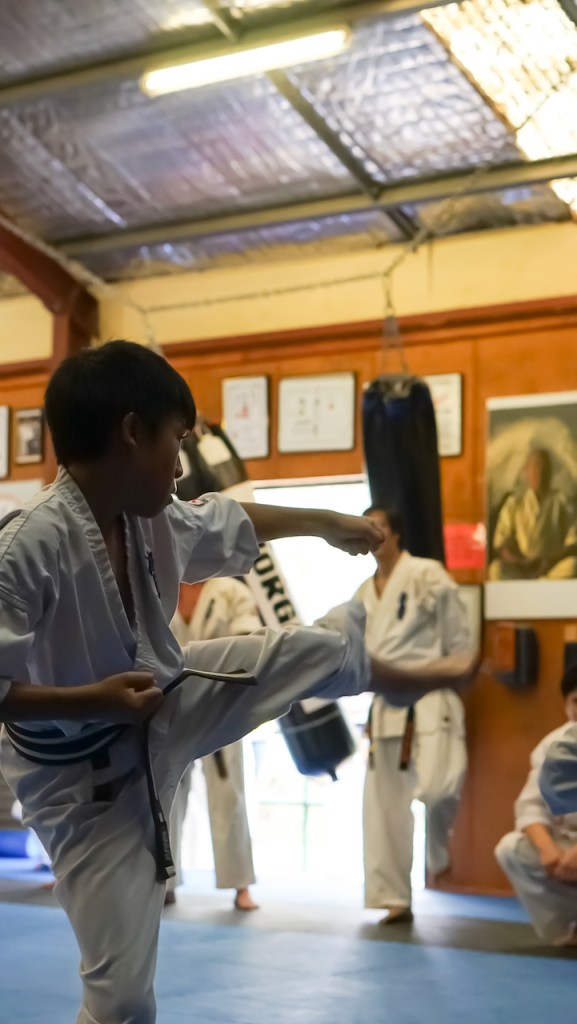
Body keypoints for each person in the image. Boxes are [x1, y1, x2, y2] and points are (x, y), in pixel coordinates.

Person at [0, 341, 477, 1024]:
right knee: (122, 999)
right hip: (78, 782)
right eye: (176, 440)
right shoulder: (25, 548)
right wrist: (93, 700)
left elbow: (226, 520)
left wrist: (323, 524)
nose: (180, 463)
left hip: (163, 705)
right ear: (131, 432)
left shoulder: (148, 518)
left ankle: (384, 674)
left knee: (305, 649)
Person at [355, 506, 471, 924]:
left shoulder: (427, 574)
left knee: (440, 788)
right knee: (383, 807)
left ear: (398, 533)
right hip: (385, 703)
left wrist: (452, 669)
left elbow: (458, 639)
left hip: (429, 693)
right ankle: (394, 897)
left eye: (380, 526)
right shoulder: (362, 593)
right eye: (367, 527)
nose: (374, 534)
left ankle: (437, 853)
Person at [167, 577, 260, 911]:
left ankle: (240, 883)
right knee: (166, 797)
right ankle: (165, 882)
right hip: (171, 707)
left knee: (228, 795)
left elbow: (249, 645)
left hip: (220, 706)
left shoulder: (231, 592)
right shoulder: (160, 585)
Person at [495, 666, 577, 946]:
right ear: (565, 704)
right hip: (565, 847)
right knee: (511, 849)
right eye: (576, 701)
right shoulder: (552, 746)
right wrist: (548, 850)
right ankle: (567, 931)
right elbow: (531, 805)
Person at [488, 447, 577, 580]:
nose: (539, 472)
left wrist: (548, 562)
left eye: (543, 467)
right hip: (521, 569)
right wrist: (522, 562)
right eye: (534, 467)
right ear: (526, 471)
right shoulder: (514, 502)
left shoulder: (561, 501)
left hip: (551, 568)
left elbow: (572, 542)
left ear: (549, 472)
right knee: (496, 569)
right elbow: (502, 543)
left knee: (573, 566)